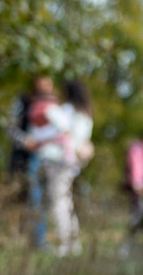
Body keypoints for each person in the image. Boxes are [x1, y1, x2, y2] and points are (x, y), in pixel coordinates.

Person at [26, 79, 94, 255]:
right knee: (65, 200)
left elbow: (63, 133)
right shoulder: (85, 114)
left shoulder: (65, 111)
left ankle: (65, 244)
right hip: (71, 161)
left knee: (59, 202)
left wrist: (39, 141)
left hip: (58, 160)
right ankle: (73, 242)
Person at [7, 74, 56, 247]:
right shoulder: (22, 102)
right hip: (23, 157)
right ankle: (20, 237)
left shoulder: (54, 104)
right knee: (20, 197)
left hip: (49, 158)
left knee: (43, 199)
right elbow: (11, 128)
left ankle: (39, 238)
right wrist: (26, 141)